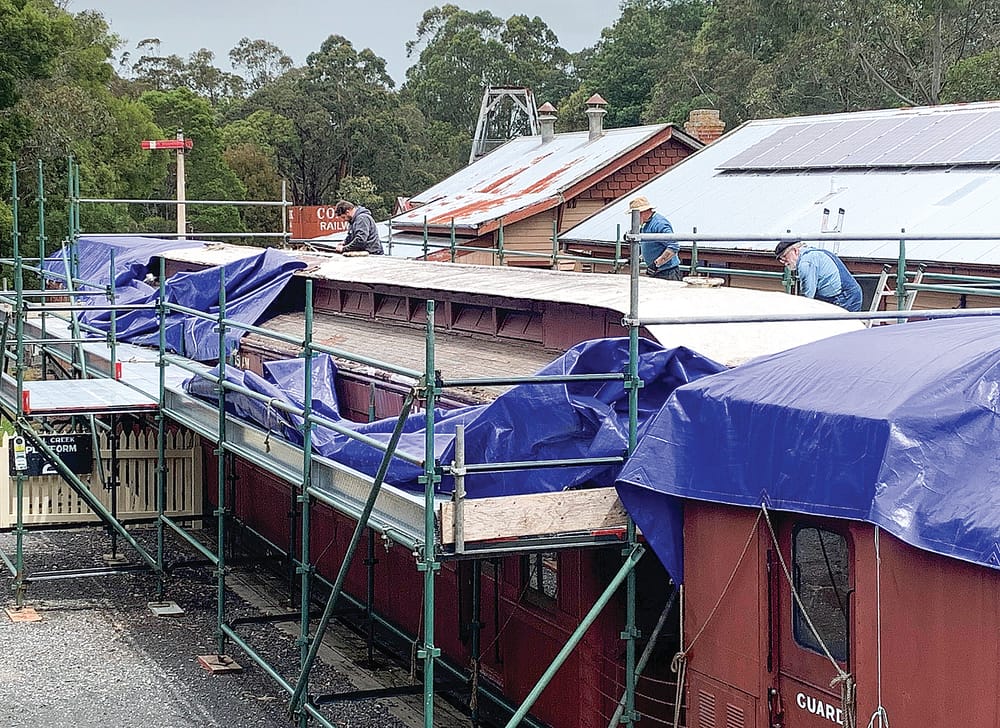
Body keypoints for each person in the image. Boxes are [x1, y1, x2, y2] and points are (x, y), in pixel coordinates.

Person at [774, 241, 862, 311]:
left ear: (795, 251)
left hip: (844, 298)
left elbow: (807, 296)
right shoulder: (814, 253)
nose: (784, 262)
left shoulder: (805, 263)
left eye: (784, 257)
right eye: (781, 260)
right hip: (847, 295)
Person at [628, 196, 682, 281]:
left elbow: (673, 246)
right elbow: (651, 247)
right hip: (658, 271)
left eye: (635, 215)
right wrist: (638, 258)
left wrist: (656, 264)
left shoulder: (659, 223)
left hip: (668, 273)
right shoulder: (645, 224)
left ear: (642, 212)